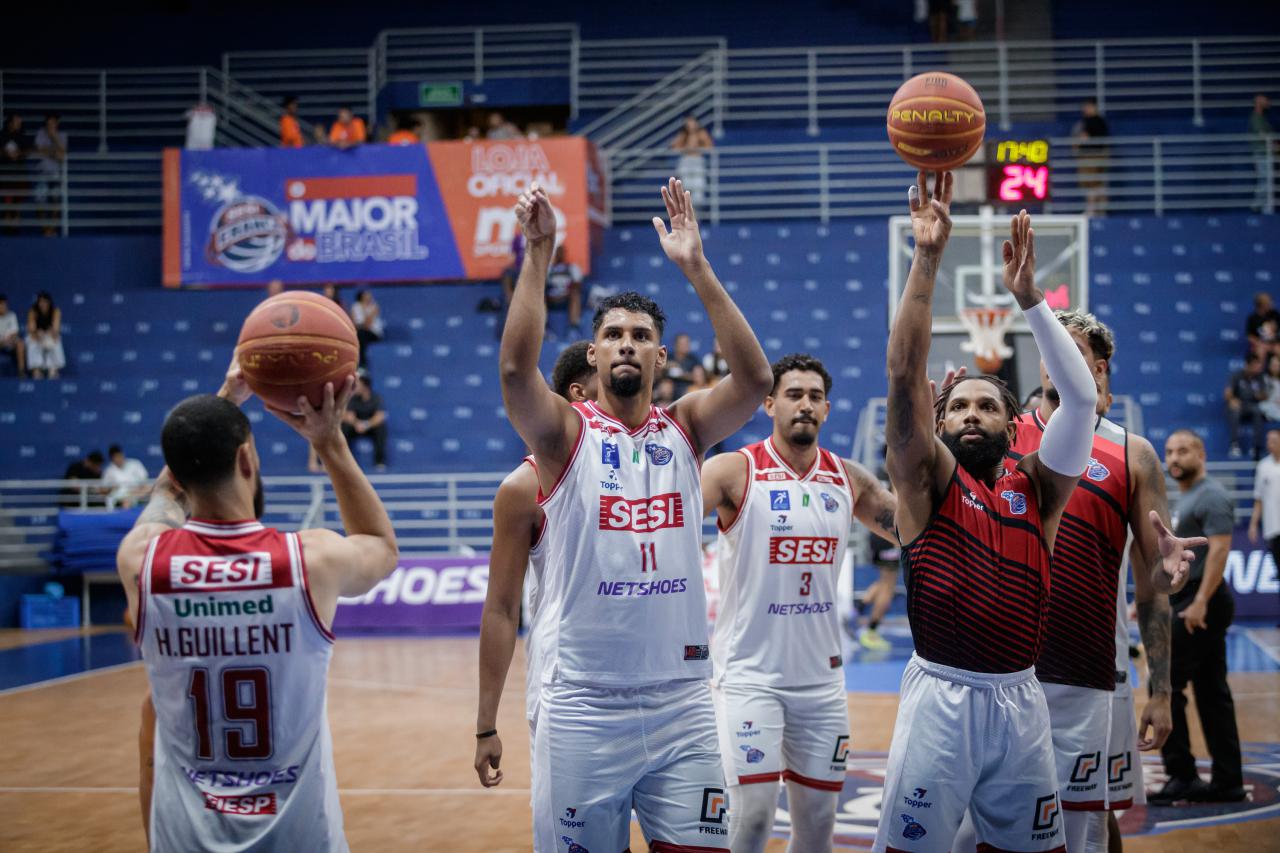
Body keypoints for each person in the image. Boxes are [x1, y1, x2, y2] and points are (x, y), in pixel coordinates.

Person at [498, 177, 772, 851]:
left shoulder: (687, 426)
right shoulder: (563, 437)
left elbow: (757, 381)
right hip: (585, 704)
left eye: (641, 335)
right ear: (592, 354)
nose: (625, 343)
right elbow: (513, 371)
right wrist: (538, 256)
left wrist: (697, 270)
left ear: (660, 353)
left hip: (682, 701)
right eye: (612, 334)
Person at [875, 177, 1098, 853]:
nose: (972, 414)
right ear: (940, 424)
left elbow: (1082, 402)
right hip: (940, 698)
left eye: (988, 405)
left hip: (1020, 699)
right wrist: (927, 258)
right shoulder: (928, 481)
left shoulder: (1038, 488)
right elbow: (904, 372)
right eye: (959, 407)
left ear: (1015, 421)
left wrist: (1031, 301)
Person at [116, 355, 398, 851]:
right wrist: (329, 439)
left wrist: (226, 401)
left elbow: (164, 496)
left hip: (186, 838)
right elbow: (380, 544)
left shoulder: (143, 561)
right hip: (298, 836)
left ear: (180, 472)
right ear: (247, 460)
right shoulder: (308, 560)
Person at [955, 311, 1198, 853]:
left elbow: (1153, 582)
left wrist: (1161, 690)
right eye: (1048, 348)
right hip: (998, 666)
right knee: (976, 826)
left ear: (1099, 366)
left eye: (1072, 351)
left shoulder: (1134, 453)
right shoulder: (997, 435)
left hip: (1090, 669)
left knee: (1087, 822)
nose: (1057, 360)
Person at [701, 352, 898, 853]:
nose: (804, 405)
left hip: (821, 685)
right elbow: (664, 516)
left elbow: (913, 527)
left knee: (816, 831)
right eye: (793, 394)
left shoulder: (848, 479)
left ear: (827, 410)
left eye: (815, 397)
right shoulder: (732, 472)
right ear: (769, 404)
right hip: (749, 678)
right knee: (751, 819)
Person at [475, 342, 597, 791]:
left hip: (656, 689)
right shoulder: (524, 488)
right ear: (578, 395)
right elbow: (502, 609)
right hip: (568, 687)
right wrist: (486, 724)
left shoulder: (654, 460)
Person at [1153, 430, 1245, 804]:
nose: (1174, 458)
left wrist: (1201, 602)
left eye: (1183, 451)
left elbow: (1220, 552)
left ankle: (1182, 774)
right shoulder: (1187, 496)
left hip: (1202, 606)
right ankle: (1228, 781)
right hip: (1193, 602)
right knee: (1212, 693)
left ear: (1202, 454)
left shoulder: (1212, 495)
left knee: (1164, 683)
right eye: (1170, 452)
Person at [1249, 429, 1280, 614]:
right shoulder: (1263, 466)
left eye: (1274, 440)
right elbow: (1258, 499)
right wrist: (1253, 524)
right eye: (1268, 440)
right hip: (1272, 528)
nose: (1270, 443)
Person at [1224, 350, 1269, 459]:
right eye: (1255, 365)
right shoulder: (1237, 375)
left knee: (1258, 411)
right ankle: (1234, 445)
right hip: (1239, 404)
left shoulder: (1260, 377)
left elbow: (1264, 395)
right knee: (1235, 410)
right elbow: (1227, 393)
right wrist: (1232, 400)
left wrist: (1260, 395)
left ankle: (1256, 447)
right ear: (1248, 365)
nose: (1258, 367)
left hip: (1252, 405)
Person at [341, 372, 388, 471]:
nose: (355, 387)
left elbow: (380, 416)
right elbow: (347, 416)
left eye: (358, 384)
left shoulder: (376, 398)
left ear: (365, 386)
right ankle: (345, 462)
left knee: (381, 428)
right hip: (355, 427)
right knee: (344, 427)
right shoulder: (353, 398)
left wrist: (366, 424)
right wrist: (356, 423)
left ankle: (379, 462)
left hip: (370, 427)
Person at [1073, 100, 1110, 216]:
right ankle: (1097, 210)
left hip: (1093, 157)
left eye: (1087, 107)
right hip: (1090, 156)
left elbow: (1085, 138)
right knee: (1095, 185)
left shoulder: (1096, 121)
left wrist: (1080, 142)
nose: (1085, 109)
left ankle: (1095, 210)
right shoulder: (1087, 121)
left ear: (1093, 107)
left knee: (1094, 184)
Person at [33, 114, 66, 237]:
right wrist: (54, 152)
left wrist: (54, 137)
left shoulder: (62, 135)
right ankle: (44, 229)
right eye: (48, 122)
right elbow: (39, 150)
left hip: (56, 173)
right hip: (42, 171)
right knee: (40, 200)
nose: (50, 125)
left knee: (56, 201)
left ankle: (52, 229)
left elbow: (62, 156)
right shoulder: (40, 133)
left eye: (53, 122)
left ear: (57, 123)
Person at [670, 115, 713, 206]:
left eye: (692, 122)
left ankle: (696, 213)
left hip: (697, 161)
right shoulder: (683, 134)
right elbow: (674, 147)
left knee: (699, 187)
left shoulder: (701, 133)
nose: (690, 124)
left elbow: (709, 146)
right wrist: (686, 147)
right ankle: (686, 207)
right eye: (688, 122)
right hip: (686, 162)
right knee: (686, 187)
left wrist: (697, 144)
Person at [545, 244, 583, 335]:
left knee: (575, 295)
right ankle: (544, 328)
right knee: (539, 298)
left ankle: (574, 327)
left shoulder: (572, 267)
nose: (560, 254)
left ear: (565, 254)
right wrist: (549, 296)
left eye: (561, 252)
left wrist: (566, 294)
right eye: (558, 252)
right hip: (551, 298)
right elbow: (542, 286)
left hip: (566, 298)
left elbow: (577, 285)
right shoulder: (549, 269)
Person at [1, 114, 30, 230]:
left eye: (20, 122)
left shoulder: (22, 136)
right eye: (17, 121)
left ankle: (15, 228)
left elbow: (28, 150)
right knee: (7, 203)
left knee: (17, 204)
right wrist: (5, 153)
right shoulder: (2, 135)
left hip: (19, 173)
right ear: (10, 123)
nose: (19, 124)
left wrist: (19, 153)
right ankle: (7, 227)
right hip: (4, 174)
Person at [26, 291, 64, 379]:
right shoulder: (33, 311)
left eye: (45, 302)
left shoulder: (55, 311)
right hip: (36, 335)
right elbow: (31, 329)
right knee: (32, 341)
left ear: (49, 302)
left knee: (55, 341)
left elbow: (56, 329)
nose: (43, 304)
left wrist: (48, 334)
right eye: (41, 302)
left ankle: (53, 368)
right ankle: (36, 368)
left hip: (49, 335)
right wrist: (38, 334)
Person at [102, 444, 150, 509]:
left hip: (136, 494)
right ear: (112, 458)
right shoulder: (109, 470)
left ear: (122, 454)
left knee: (149, 488)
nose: (119, 459)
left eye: (119, 456)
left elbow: (145, 483)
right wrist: (111, 488)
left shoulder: (135, 464)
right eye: (115, 457)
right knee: (124, 502)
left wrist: (133, 494)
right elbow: (104, 489)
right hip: (118, 498)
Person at [1250, 93, 1274, 213]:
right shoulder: (1256, 118)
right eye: (1265, 100)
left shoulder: (1262, 118)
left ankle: (1265, 207)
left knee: (1266, 179)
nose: (1268, 102)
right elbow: (1262, 136)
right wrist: (1275, 146)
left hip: (1267, 153)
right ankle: (1257, 205)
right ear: (1258, 102)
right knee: (1264, 179)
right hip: (1262, 153)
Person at [351, 289, 383, 366]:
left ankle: (362, 361)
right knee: (360, 334)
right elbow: (354, 323)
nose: (369, 296)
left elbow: (368, 324)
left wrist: (367, 312)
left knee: (361, 334)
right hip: (360, 332)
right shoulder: (356, 306)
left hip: (374, 333)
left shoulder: (374, 306)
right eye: (366, 295)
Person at [663, 333, 700, 398]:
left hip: (687, 387)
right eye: (682, 344)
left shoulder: (693, 360)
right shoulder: (668, 357)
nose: (685, 346)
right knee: (665, 387)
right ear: (676, 345)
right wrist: (667, 366)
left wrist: (683, 374)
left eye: (687, 343)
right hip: (671, 386)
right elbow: (658, 370)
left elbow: (698, 377)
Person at [1245, 291, 1280, 359]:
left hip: (1275, 344)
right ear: (1262, 305)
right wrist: (1261, 344)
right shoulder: (1252, 318)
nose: (1272, 304)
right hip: (1260, 344)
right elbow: (1249, 336)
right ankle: (1257, 369)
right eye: (1269, 302)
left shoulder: (1275, 314)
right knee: (1259, 352)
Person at [0, 293, 26, 375]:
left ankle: (21, 372)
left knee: (20, 344)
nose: (3, 307)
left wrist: (7, 340)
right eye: (1, 305)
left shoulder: (12, 315)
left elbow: (15, 333)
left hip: (9, 342)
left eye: (4, 304)